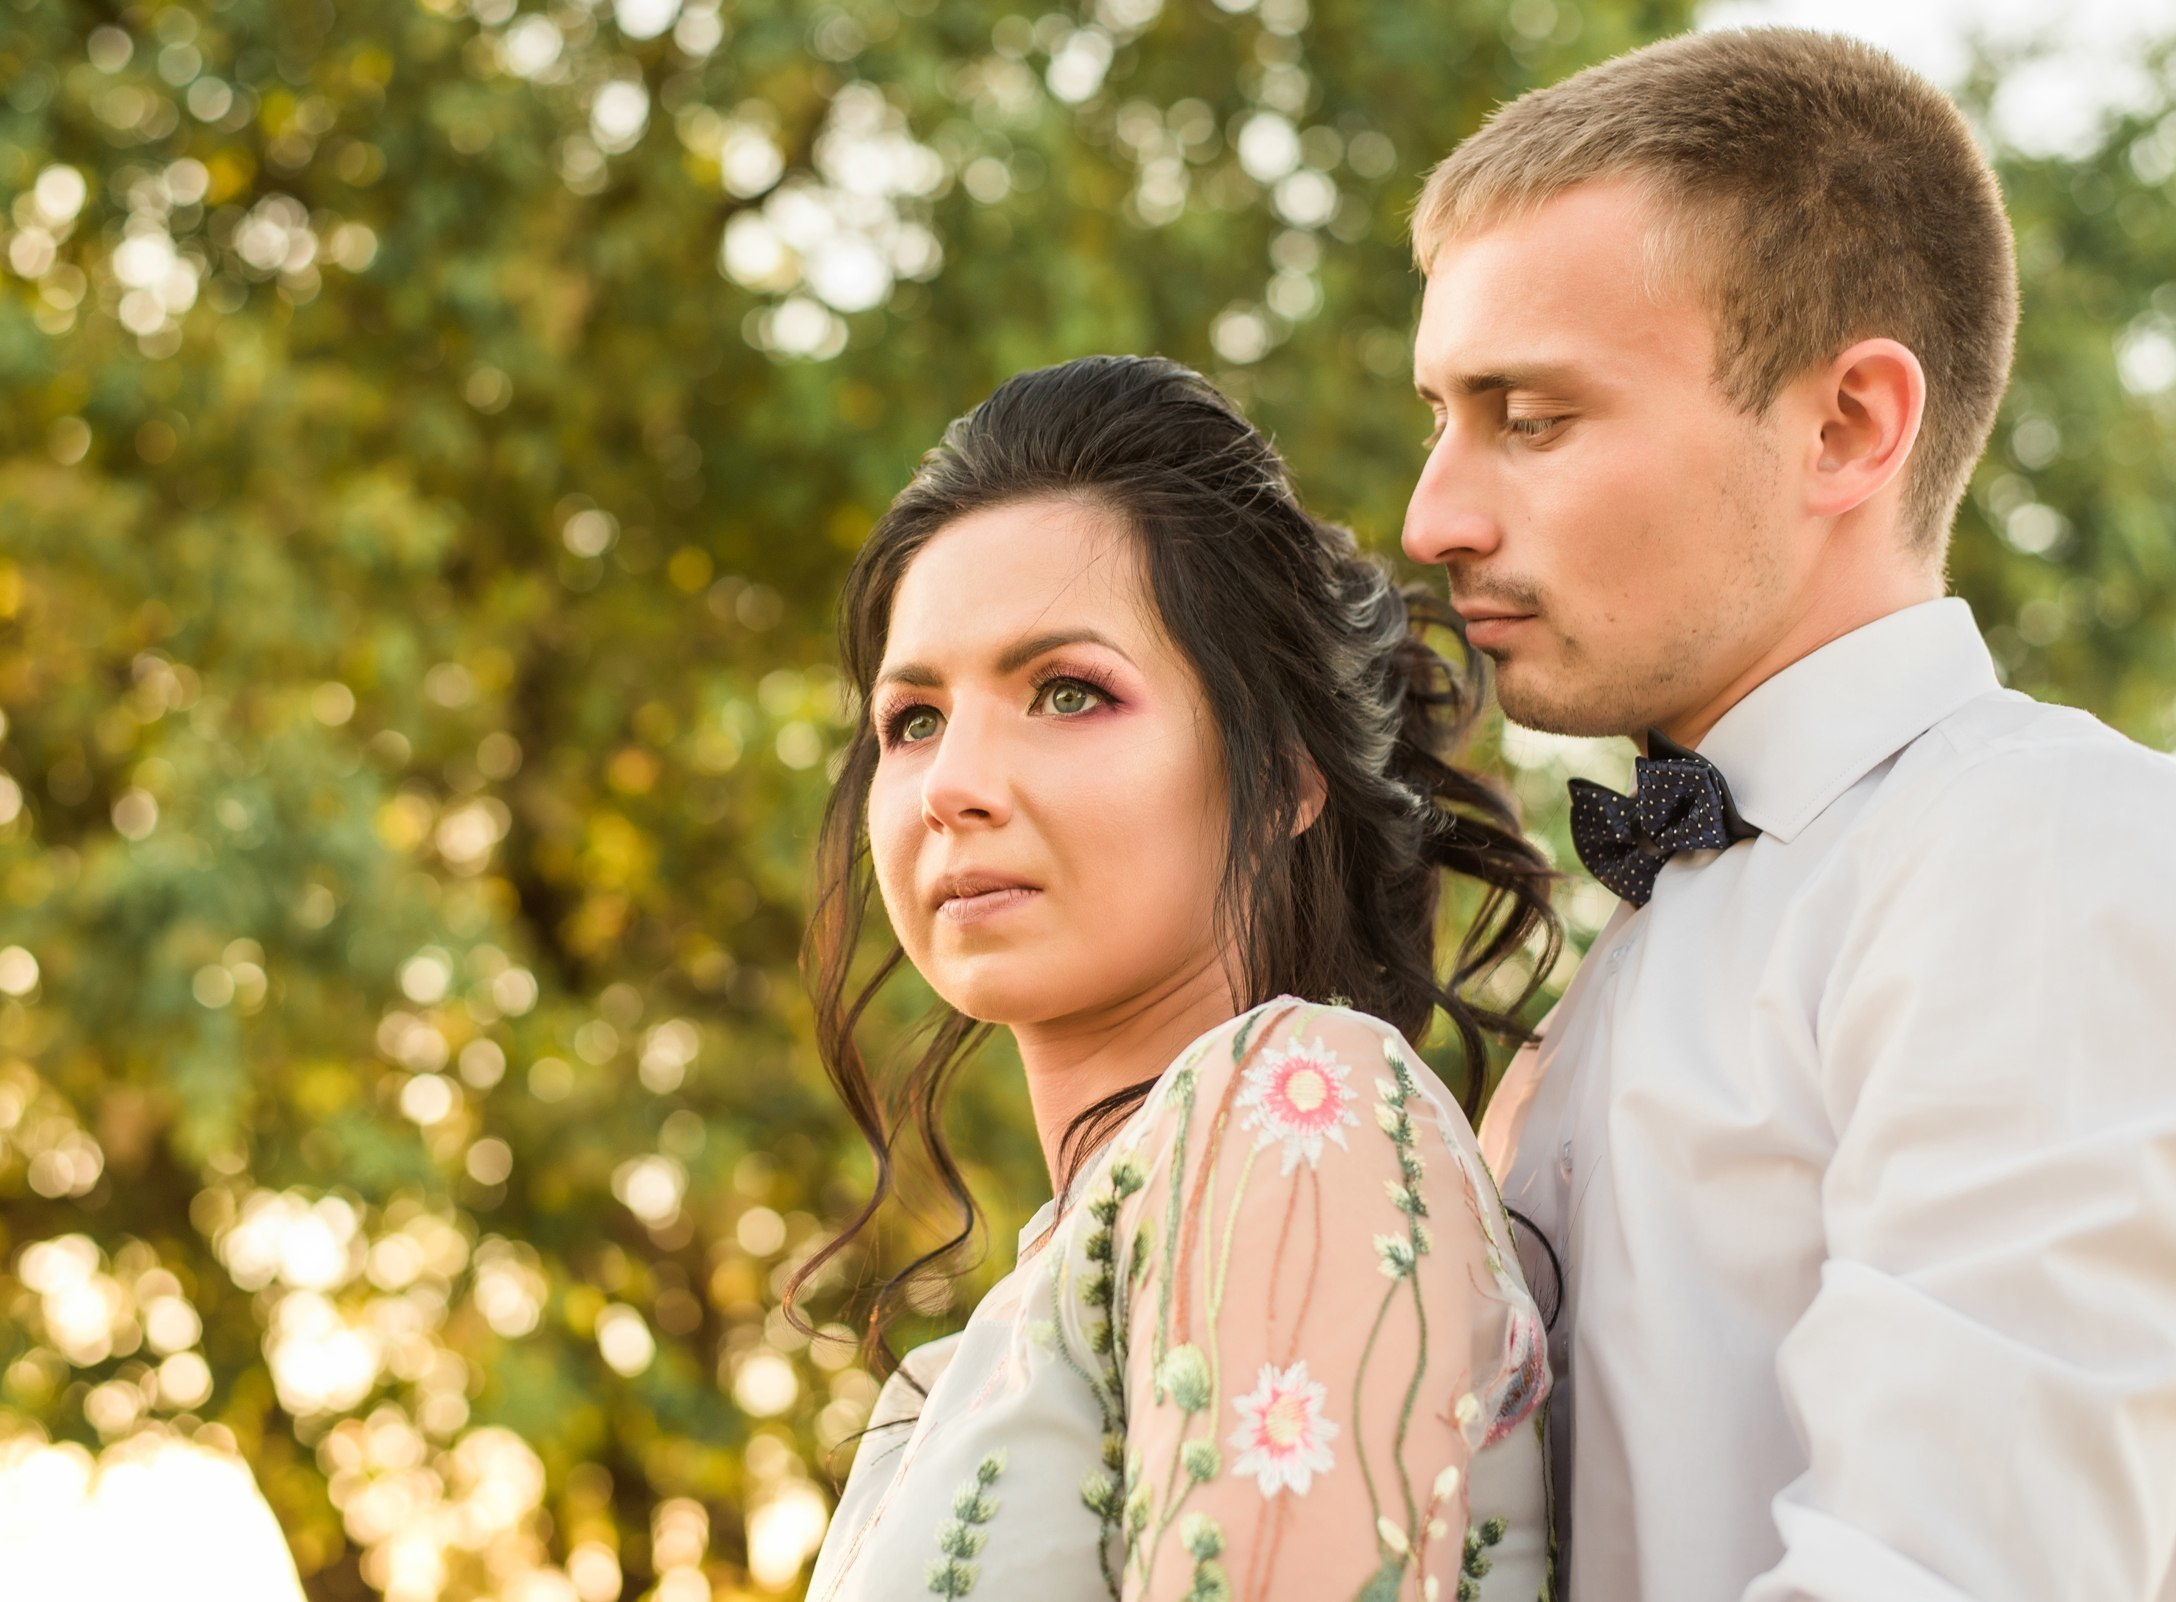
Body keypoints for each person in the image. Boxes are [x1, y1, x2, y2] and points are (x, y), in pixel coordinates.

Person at [1403, 27, 2176, 1602]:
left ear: (1846, 428)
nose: (1436, 516)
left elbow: (1957, 1571)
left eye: (1530, 417)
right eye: (1441, 415)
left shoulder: (2041, 850)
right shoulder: (1643, 936)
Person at [795, 355, 1562, 1601]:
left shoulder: (1300, 1106)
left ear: (1287, 779)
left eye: (1067, 692)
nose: (951, 785)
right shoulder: (958, 1371)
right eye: (915, 718)